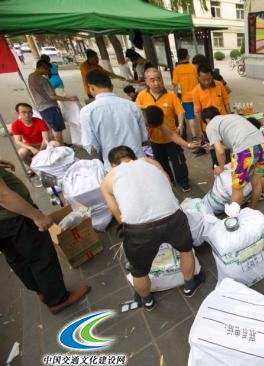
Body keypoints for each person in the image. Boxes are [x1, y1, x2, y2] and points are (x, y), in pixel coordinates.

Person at [100, 146, 204, 310]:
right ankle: (189, 285)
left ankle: (147, 300)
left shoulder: (108, 179)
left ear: (113, 164)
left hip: (139, 229)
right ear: (133, 158)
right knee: (186, 250)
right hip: (173, 218)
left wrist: (130, 231)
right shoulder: (151, 162)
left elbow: (116, 212)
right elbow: (167, 185)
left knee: (139, 271)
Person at [0, 159, 90, 314]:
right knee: (40, 255)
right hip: (13, 219)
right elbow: (3, 195)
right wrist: (37, 216)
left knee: (16, 256)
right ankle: (57, 299)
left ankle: (42, 290)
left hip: (5, 225)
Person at [135, 68, 192, 192]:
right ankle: (169, 179)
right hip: (154, 139)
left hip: (172, 137)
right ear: (146, 82)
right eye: (152, 80)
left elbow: (180, 111)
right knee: (161, 162)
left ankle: (183, 182)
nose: (156, 83)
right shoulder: (141, 96)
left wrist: (180, 124)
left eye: (159, 79)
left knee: (179, 162)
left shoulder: (170, 95)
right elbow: (137, 113)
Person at [202, 107, 264, 208]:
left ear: (207, 120)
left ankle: (232, 219)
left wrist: (220, 168)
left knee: (237, 189)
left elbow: (220, 152)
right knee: (256, 181)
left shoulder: (210, 125)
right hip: (262, 147)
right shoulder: (232, 117)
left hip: (245, 153)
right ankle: (251, 209)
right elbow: (234, 141)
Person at [80, 70, 148, 171]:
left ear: (91, 88)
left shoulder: (87, 112)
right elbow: (144, 137)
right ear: (111, 86)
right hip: (138, 162)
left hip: (113, 167)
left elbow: (91, 147)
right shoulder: (132, 106)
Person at [28, 60, 78, 145]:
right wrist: (69, 98)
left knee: (51, 127)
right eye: (47, 69)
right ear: (42, 68)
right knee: (57, 128)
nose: (48, 72)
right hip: (50, 107)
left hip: (41, 107)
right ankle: (60, 146)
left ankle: (59, 144)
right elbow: (52, 96)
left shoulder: (31, 76)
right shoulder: (43, 80)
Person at [10, 103, 59, 175]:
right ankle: (32, 167)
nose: (27, 115)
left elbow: (45, 139)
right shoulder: (15, 124)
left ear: (32, 113)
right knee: (21, 152)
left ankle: (55, 162)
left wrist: (40, 151)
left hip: (43, 144)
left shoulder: (39, 121)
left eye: (29, 112)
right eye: (23, 112)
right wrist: (31, 148)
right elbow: (18, 141)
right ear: (18, 113)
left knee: (56, 144)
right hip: (30, 145)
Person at [191, 64, 231, 140]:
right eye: (203, 80)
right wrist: (199, 130)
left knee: (227, 148)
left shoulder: (219, 85)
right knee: (214, 149)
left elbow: (226, 103)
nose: (206, 82)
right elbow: (197, 112)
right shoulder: (195, 91)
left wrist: (230, 119)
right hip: (208, 126)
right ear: (198, 78)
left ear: (212, 76)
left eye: (208, 79)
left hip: (223, 124)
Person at [172, 48, 198, 135]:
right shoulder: (194, 67)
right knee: (198, 115)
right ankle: (202, 133)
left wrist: (175, 98)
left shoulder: (177, 69)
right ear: (187, 56)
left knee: (190, 117)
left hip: (185, 98)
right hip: (197, 96)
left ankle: (194, 137)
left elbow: (175, 85)